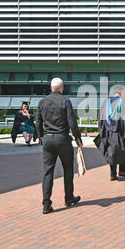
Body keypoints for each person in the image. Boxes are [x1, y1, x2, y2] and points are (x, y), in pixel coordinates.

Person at [36, 78, 83, 214]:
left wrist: (41, 137)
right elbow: (72, 123)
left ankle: (46, 204)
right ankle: (69, 198)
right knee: (68, 169)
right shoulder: (65, 101)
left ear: (51, 87)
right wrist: (78, 138)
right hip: (63, 139)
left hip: (48, 140)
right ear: (62, 88)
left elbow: (38, 122)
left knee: (47, 172)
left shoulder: (42, 102)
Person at [94, 85, 125, 181]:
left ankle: (112, 174)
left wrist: (103, 131)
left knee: (111, 153)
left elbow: (100, 119)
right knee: (123, 151)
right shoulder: (123, 103)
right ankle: (122, 171)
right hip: (120, 133)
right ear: (120, 93)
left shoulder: (106, 103)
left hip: (109, 133)